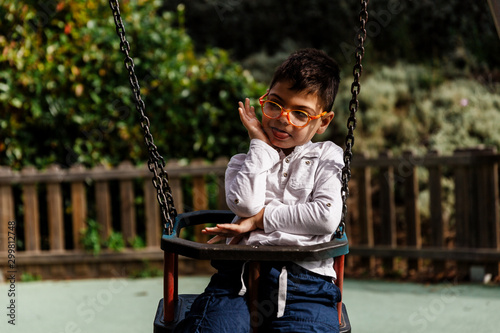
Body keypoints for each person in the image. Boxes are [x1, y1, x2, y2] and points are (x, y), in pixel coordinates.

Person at [175, 48, 344, 333]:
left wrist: (259, 221)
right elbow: (245, 206)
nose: (282, 119)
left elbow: (326, 217)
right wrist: (260, 146)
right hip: (237, 280)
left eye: (300, 114)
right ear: (263, 100)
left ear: (323, 122)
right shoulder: (243, 162)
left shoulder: (327, 156)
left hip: (306, 286)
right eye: (275, 105)